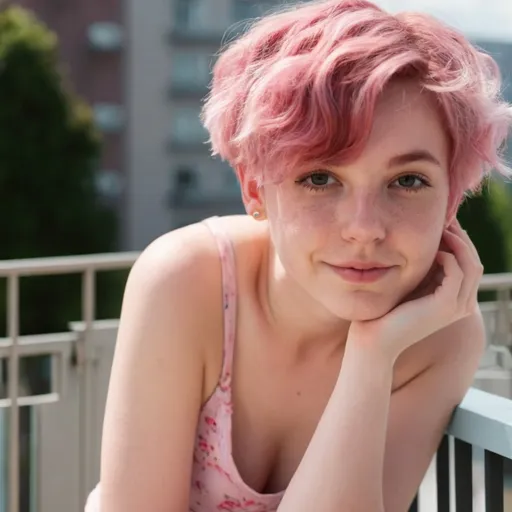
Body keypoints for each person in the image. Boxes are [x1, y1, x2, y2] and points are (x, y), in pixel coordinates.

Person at [86, 0, 512, 511]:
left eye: (407, 181)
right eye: (319, 178)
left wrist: (372, 357)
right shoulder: (187, 279)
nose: (364, 228)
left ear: (452, 198)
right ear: (254, 189)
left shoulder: (439, 336)